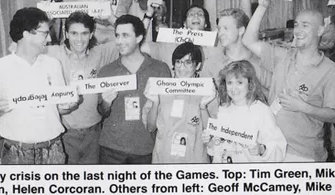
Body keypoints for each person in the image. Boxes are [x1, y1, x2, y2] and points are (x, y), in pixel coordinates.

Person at [242, 0, 335, 162]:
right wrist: (262, 7)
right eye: (296, 25)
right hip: (271, 147)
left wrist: (304, 107)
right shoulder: (282, 56)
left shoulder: (330, 70)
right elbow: (248, 40)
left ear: (320, 30)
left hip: (303, 154)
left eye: (305, 25)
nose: (298, 30)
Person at [0, 8, 78, 164]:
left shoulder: (53, 64)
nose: (49, 39)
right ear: (26, 34)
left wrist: (70, 105)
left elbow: (59, 107)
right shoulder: (0, 67)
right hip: (16, 153)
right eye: (44, 33)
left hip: (53, 150)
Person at [46, 11, 119, 164]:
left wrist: (111, 19)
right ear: (66, 34)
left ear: (91, 34)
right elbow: (18, 46)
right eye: (74, 33)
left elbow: (130, 37)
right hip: (64, 132)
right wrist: (47, 21)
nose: (79, 39)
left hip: (94, 133)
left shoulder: (100, 53)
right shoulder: (53, 53)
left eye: (84, 33)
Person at [97, 15, 171, 164]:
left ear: (139, 37)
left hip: (146, 148)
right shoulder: (107, 71)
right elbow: (102, 112)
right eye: (117, 36)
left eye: (125, 36)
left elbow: (166, 110)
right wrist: (106, 103)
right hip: (111, 149)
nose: (119, 41)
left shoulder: (160, 69)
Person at [142, 42, 216, 163]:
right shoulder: (160, 88)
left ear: (197, 66)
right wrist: (155, 103)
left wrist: (203, 107)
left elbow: (212, 131)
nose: (181, 67)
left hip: (195, 160)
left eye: (188, 63)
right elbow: (150, 127)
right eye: (178, 62)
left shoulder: (208, 90)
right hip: (164, 158)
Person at [203, 60, 286, 163]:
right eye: (229, 83)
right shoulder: (223, 110)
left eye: (239, 82)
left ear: (250, 84)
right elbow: (216, 150)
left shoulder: (262, 111)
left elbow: (279, 150)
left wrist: (261, 149)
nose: (234, 88)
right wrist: (210, 141)